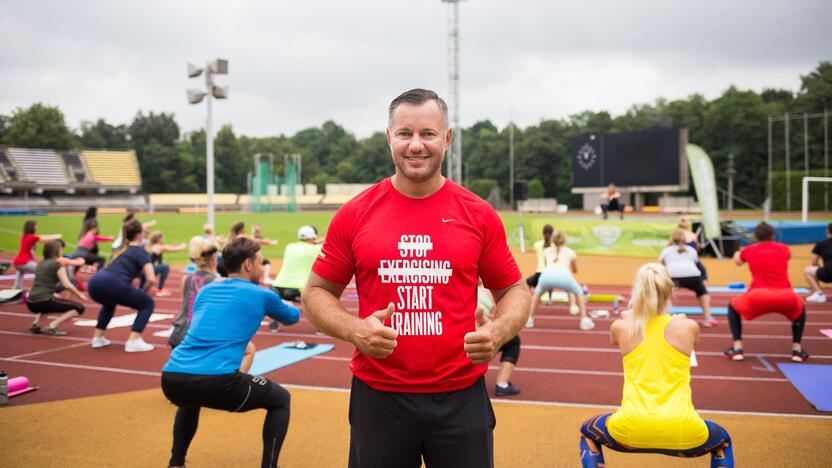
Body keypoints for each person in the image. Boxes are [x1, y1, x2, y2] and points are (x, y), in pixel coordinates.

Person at [302, 88, 530, 468]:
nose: (416, 145)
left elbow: (514, 289)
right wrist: (355, 330)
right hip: (379, 397)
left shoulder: (478, 213)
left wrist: (498, 331)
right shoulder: (355, 213)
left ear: (447, 138)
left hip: (460, 396)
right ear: (389, 138)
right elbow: (316, 292)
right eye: (404, 133)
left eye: (427, 133)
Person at [161, 237, 300, 468]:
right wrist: (292, 304)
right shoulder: (262, 294)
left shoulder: (206, 290)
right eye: (259, 261)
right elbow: (292, 317)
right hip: (217, 382)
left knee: (189, 402)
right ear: (247, 264)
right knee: (281, 399)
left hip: (173, 378)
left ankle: (176, 464)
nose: (262, 266)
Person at [579, 263, 733, 468]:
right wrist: (679, 320)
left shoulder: (621, 327)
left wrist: (631, 314)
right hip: (684, 430)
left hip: (629, 429)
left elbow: (621, 333)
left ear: (638, 292)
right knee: (723, 441)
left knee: (587, 432)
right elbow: (682, 338)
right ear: (671, 291)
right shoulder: (689, 327)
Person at [725, 222, 809, 362]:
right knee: (800, 308)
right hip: (786, 296)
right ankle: (797, 349)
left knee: (732, 306)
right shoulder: (784, 249)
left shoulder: (749, 250)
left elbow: (738, 262)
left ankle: (737, 348)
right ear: (773, 235)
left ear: (756, 236)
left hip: (758, 296)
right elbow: (785, 256)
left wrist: (737, 252)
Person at [87, 219, 157, 352]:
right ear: (139, 234)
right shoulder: (140, 251)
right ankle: (133, 340)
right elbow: (151, 278)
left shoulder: (120, 249)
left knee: (109, 304)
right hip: (113, 283)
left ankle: (98, 338)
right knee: (148, 304)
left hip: (94, 282)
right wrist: (143, 292)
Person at [527, 230, 595, 330]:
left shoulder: (546, 251)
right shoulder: (571, 252)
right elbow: (575, 270)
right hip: (564, 276)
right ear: (564, 240)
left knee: (537, 294)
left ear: (552, 240)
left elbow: (547, 265)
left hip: (547, 275)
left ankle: (529, 319)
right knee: (579, 291)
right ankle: (584, 320)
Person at [25, 240, 87, 335]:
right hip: (44, 300)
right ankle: (53, 326)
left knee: (47, 304)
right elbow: (67, 284)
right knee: (79, 308)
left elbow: (40, 282)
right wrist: (79, 294)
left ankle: (36, 323)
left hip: (30, 302)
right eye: (61, 249)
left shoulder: (40, 264)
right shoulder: (57, 264)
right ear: (57, 251)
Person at [169, 237, 220, 348]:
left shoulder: (186, 279)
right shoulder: (216, 282)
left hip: (179, 333)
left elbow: (184, 306)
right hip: (197, 337)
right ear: (213, 259)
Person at [660, 229, 716, 327]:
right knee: (702, 292)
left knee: (664, 294)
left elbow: (660, 265)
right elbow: (697, 263)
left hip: (673, 277)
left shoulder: (666, 250)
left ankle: (665, 318)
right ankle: (708, 318)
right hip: (693, 276)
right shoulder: (691, 250)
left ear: (671, 239)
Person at [477, 282, 521, 397]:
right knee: (514, 340)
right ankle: (502, 384)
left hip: (450, 338)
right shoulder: (487, 291)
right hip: (473, 341)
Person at [273, 225, 324, 302]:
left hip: (277, 287)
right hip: (297, 290)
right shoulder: (316, 249)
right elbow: (329, 242)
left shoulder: (289, 246)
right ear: (313, 237)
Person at [12, 219, 62, 288]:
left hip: (18, 262)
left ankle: (16, 289)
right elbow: (43, 238)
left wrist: (53, 240)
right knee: (42, 271)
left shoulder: (25, 237)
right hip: (24, 262)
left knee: (19, 277)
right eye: (35, 225)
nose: (36, 227)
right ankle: (41, 290)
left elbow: (43, 241)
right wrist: (57, 236)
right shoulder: (31, 237)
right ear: (31, 227)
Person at [142, 231, 186, 297]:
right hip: (148, 270)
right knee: (165, 267)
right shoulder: (158, 247)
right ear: (159, 239)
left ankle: (143, 288)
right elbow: (172, 249)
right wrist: (183, 246)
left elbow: (167, 247)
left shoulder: (149, 246)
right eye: (162, 238)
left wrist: (173, 246)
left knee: (142, 290)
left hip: (143, 270)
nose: (163, 239)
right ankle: (160, 289)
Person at [805, 222, 832, 303]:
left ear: (827, 231)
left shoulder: (821, 244)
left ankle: (819, 294)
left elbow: (814, 262)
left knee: (808, 271)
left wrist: (822, 269)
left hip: (828, 273)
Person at [676, 216, 708, 281]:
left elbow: (670, 246)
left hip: (681, 258)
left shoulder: (676, 234)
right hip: (691, 258)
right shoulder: (692, 235)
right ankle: (703, 277)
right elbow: (697, 247)